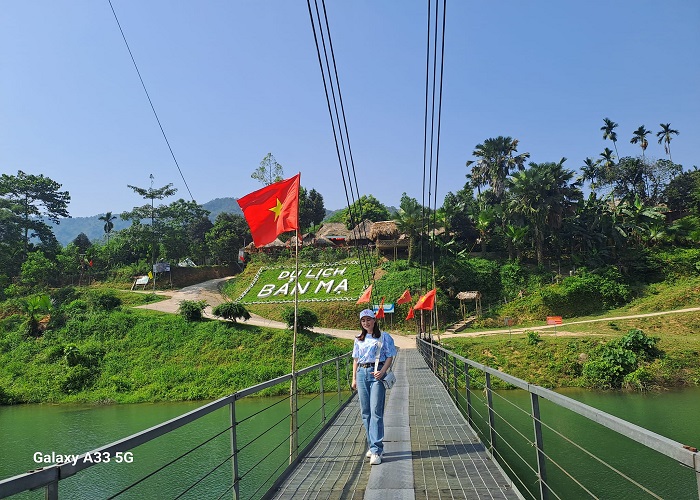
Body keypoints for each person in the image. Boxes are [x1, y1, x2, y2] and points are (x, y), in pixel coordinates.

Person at [351, 308, 397, 465]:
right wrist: (354, 378)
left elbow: (390, 355)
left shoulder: (384, 337)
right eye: (363, 321)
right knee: (366, 412)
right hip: (362, 373)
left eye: (368, 319)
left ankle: (377, 450)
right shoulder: (358, 339)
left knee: (376, 411)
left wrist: (382, 371)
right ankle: (372, 445)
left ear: (374, 320)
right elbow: (356, 359)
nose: (366, 323)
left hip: (376, 373)